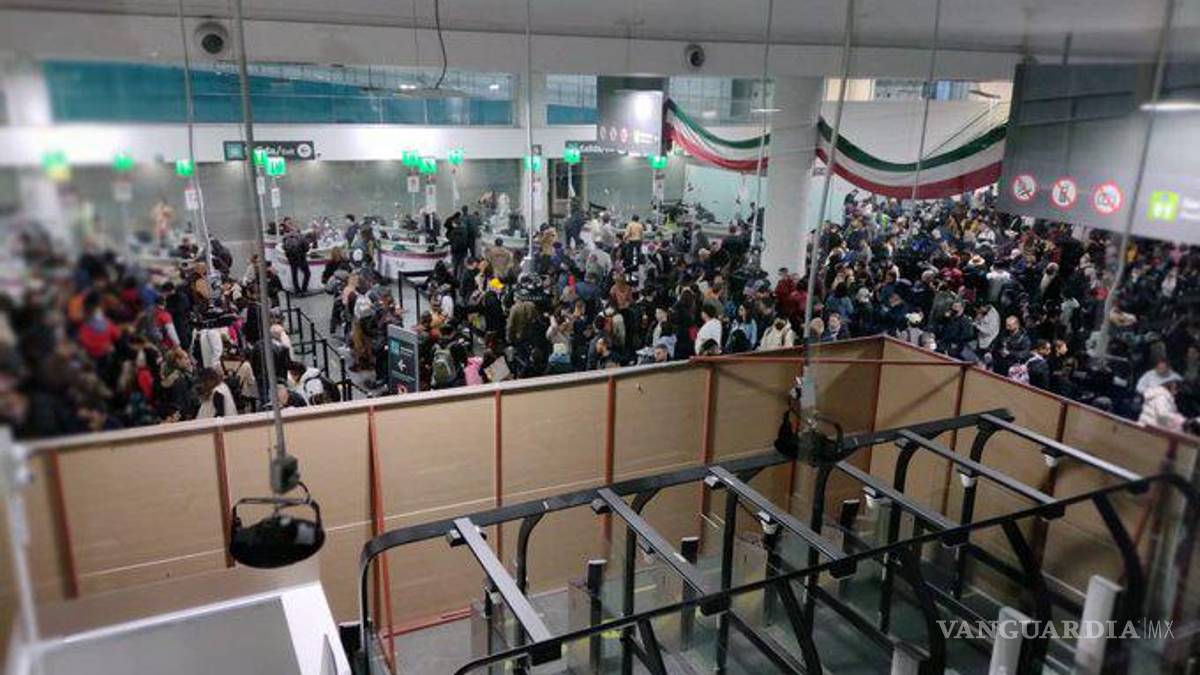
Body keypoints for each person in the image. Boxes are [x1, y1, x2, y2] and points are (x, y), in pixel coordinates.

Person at [283, 229, 312, 294]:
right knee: (307, 273)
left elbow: (284, 247)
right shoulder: (302, 237)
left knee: (294, 275)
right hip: (301, 258)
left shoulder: (287, 237)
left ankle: (297, 290)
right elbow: (306, 248)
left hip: (291, 259)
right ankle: (304, 289)